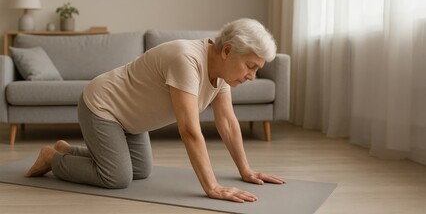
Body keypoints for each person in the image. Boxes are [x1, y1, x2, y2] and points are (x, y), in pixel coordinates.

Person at [25, 18, 285, 203]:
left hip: (132, 120)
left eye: (257, 69)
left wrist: (246, 171)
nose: (252, 75)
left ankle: (67, 150)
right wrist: (212, 187)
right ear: (227, 51)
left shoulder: (222, 75)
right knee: (116, 178)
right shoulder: (187, 59)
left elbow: (227, 122)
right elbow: (189, 130)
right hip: (103, 106)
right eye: (250, 66)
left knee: (140, 171)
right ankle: (53, 159)